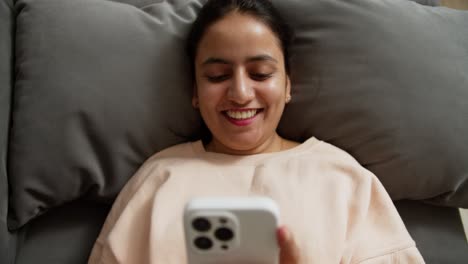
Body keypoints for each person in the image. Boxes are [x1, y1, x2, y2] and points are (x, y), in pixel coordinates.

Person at [88, 0, 425, 263]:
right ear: (194, 91)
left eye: (261, 74)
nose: (240, 93)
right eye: (218, 76)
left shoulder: (343, 178)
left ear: (288, 84)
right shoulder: (157, 179)